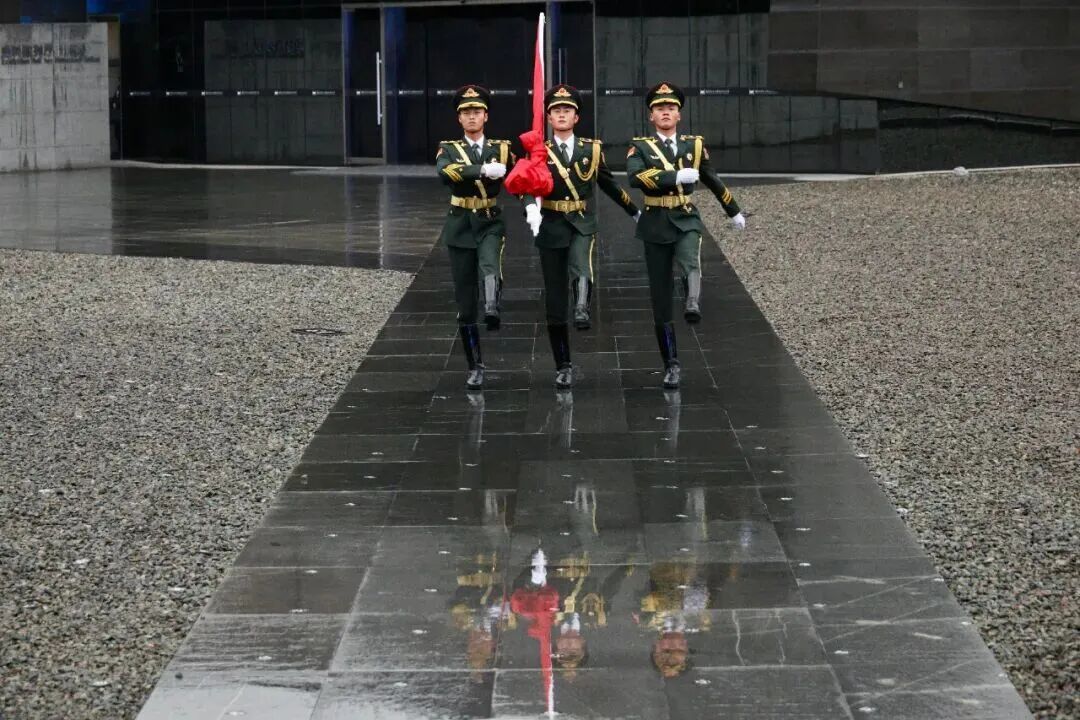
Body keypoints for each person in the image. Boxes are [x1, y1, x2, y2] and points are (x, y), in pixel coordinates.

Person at [625, 81, 747, 389]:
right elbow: (635, 177)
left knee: (691, 257)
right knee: (660, 298)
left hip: (685, 216)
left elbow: (712, 179)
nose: (665, 112)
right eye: (659, 109)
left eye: (671, 108)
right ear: (651, 116)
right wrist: (675, 175)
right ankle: (671, 363)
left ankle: (693, 302)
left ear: (679, 115)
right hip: (655, 222)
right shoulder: (640, 147)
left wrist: (733, 210)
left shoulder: (694, 145)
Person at [523, 84, 639, 388]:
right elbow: (527, 185)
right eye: (556, 111)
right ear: (549, 118)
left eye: (567, 110)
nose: (562, 115)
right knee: (554, 300)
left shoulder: (592, 150)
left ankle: (583, 307)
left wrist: (634, 211)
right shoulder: (538, 150)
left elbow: (609, 185)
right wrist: (530, 208)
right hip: (550, 224)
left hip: (580, 221)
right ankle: (562, 365)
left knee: (582, 262)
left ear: (576, 117)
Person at [435, 85, 516, 391]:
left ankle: (492, 306)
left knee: (490, 262)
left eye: (477, 112)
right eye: (466, 113)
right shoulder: (448, 148)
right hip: (460, 225)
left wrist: (532, 206)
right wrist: (482, 168)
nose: (472, 117)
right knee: (465, 302)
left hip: (489, 219)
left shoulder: (503, 148)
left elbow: (519, 178)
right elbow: (446, 172)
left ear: (486, 116)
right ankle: (475, 365)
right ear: (459, 118)